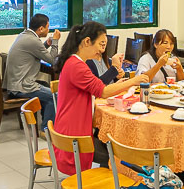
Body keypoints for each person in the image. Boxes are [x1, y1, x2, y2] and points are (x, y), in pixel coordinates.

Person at [51, 22, 149, 177]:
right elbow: (102, 91)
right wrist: (133, 81)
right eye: (101, 44)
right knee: (119, 155)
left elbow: (97, 89)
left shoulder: (74, 62)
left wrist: (120, 84)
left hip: (69, 130)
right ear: (87, 42)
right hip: (74, 138)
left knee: (111, 143)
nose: (102, 50)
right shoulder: (77, 66)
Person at [4, 14, 60, 128]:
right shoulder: (33, 40)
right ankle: (46, 129)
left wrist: (46, 44)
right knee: (54, 95)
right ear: (41, 28)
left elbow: (35, 50)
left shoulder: (24, 35)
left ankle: (46, 125)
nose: (48, 30)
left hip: (14, 83)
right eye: (47, 27)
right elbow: (52, 60)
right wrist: (55, 42)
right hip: (20, 86)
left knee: (46, 87)